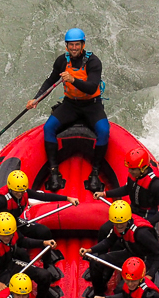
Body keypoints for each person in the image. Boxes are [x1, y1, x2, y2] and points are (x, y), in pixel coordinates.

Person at [25, 28, 109, 193]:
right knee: (48, 128)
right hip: (71, 105)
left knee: (104, 131)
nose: (74, 48)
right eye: (71, 45)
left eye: (77, 44)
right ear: (66, 46)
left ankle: (95, 172)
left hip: (92, 105)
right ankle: (54, 172)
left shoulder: (94, 62)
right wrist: (36, 99)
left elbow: (92, 88)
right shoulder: (62, 61)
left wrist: (73, 79)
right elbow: (50, 80)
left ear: (83, 45)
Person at [0, 169, 78, 266]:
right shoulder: (0, 200)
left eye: (22, 191)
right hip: (1, 228)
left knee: (44, 231)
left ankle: (47, 261)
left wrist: (67, 198)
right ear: (10, 188)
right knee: (21, 251)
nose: (20, 194)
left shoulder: (23, 192)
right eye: (17, 191)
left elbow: (43, 196)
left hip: (14, 221)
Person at [79, 201, 159, 298]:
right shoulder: (118, 225)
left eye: (122, 223)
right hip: (130, 253)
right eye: (116, 224)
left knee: (120, 290)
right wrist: (90, 250)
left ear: (128, 220)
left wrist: (150, 275)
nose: (119, 226)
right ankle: (99, 293)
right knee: (95, 262)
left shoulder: (141, 233)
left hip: (143, 261)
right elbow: (108, 241)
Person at [92, 146, 159, 225]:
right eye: (129, 168)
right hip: (132, 210)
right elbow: (127, 189)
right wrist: (105, 194)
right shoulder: (134, 175)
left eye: (133, 169)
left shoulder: (156, 185)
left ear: (143, 168)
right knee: (106, 228)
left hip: (147, 216)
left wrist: (149, 223)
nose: (130, 171)